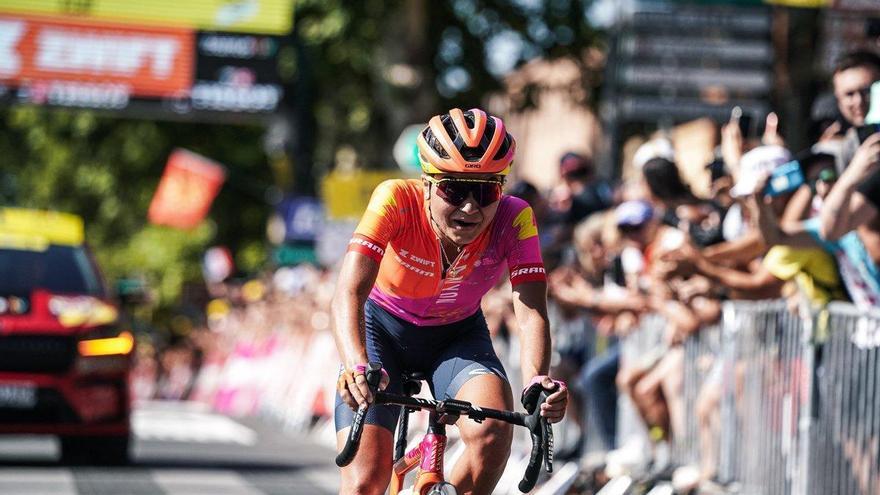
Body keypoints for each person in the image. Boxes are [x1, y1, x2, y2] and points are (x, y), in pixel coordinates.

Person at [331, 108, 569, 495]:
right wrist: (357, 364)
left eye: (486, 191)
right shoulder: (395, 198)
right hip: (382, 333)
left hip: (456, 337)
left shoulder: (516, 217)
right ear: (427, 183)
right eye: (454, 190)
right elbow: (349, 292)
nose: (470, 207)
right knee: (364, 482)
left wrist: (538, 381)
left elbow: (531, 313)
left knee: (492, 433)